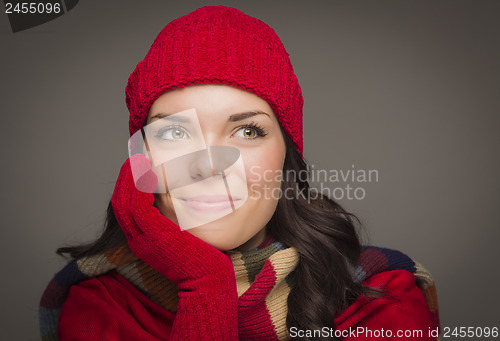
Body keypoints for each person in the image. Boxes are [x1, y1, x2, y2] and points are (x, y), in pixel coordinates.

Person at [39, 5, 440, 341]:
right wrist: (204, 287)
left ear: (287, 158)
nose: (207, 165)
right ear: (141, 160)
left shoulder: (383, 301)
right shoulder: (100, 308)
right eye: (174, 132)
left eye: (248, 131)